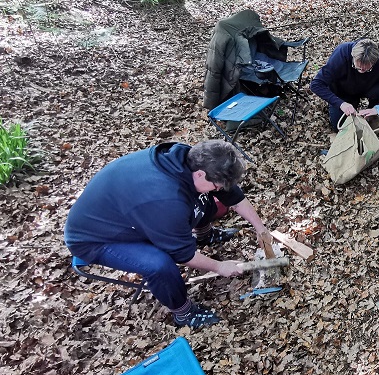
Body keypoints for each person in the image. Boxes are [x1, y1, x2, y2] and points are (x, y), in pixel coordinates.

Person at [64, 140, 273, 328]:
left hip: (130, 211)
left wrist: (261, 229)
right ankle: (184, 313)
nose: (219, 189)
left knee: (203, 197)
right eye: (217, 185)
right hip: (96, 238)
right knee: (158, 264)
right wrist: (220, 266)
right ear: (200, 174)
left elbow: (232, 196)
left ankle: (205, 235)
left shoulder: (193, 159)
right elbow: (181, 254)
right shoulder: (167, 200)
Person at [310, 38, 379, 131]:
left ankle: (371, 114)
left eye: (366, 69)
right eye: (357, 67)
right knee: (340, 127)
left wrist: (377, 109)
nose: (361, 71)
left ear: (374, 62)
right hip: (343, 92)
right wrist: (341, 104)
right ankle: (349, 103)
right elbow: (316, 84)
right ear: (352, 56)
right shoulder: (341, 54)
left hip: (367, 88)